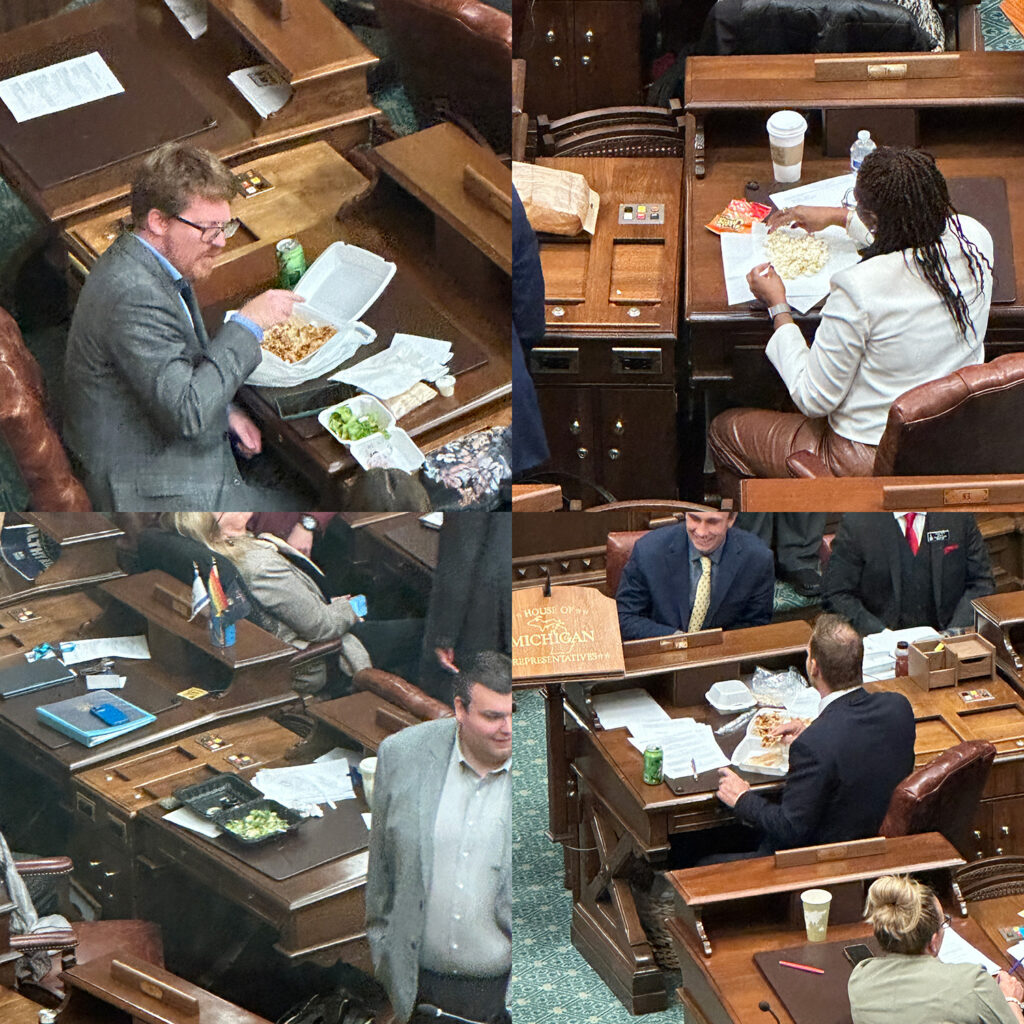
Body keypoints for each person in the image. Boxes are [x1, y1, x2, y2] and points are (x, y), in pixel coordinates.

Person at [708, 147, 994, 497]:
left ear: (874, 219)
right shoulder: (977, 239)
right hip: (948, 436)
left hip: (867, 456)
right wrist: (840, 217)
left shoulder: (859, 289)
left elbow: (813, 398)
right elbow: (908, 238)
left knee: (724, 430)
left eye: (861, 211)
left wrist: (777, 306)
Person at [64, 142, 302, 510]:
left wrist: (225, 411)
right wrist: (248, 323)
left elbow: (171, 370)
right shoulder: (134, 295)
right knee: (316, 506)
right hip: (150, 488)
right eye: (209, 230)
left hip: (161, 439)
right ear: (159, 221)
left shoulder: (147, 260)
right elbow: (188, 414)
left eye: (226, 227)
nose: (221, 242)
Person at [366, 652, 512, 1024]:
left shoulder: (540, 776)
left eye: (513, 714)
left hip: (504, 995)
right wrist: (387, 961)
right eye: (492, 716)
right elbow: (381, 875)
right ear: (460, 709)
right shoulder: (403, 755)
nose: (507, 728)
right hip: (421, 990)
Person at [716, 614, 915, 852]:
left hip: (825, 860)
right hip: (880, 843)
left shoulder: (814, 746)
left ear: (814, 667)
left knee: (699, 860)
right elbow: (855, 740)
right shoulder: (898, 707)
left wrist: (743, 798)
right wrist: (815, 733)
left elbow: (790, 828)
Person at [170, 511, 371, 693]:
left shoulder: (219, 552)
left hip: (308, 622)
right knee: (400, 632)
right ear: (214, 529)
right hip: (319, 658)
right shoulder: (259, 567)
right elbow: (323, 627)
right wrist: (354, 607)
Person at [848, 875, 1024, 1024]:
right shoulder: (972, 984)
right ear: (933, 942)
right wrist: (1011, 999)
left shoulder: (860, 978)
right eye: (943, 924)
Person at [823, 512, 995, 635]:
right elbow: (836, 595)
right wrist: (882, 637)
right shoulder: (858, 522)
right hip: (881, 653)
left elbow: (981, 583)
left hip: (950, 646)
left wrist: (953, 633)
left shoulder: (957, 516)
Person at [615, 508, 774, 640]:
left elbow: (756, 624)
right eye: (695, 519)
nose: (702, 532)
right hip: (658, 658)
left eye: (712, 522)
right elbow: (625, 617)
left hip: (721, 659)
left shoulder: (757, 558)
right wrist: (679, 640)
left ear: (731, 519)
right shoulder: (648, 550)